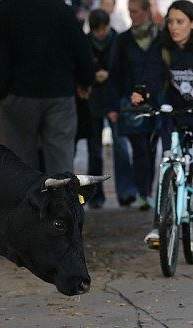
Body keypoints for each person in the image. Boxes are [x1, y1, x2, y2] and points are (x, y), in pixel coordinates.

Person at [132, 0, 193, 268]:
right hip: (173, 114)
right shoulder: (162, 48)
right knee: (166, 163)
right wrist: (142, 91)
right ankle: (160, 225)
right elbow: (151, 75)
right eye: (170, 22)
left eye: (179, 22)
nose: (173, 27)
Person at [0, 0, 95, 175]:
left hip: (20, 94)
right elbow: (82, 51)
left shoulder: (10, 8)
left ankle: (27, 200)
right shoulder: (63, 10)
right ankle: (62, 199)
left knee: (19, 165)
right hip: (59, 95)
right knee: (61, 162)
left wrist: (0, 91)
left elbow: (1, 53)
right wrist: (85, 81)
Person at [106, 0, 162, 211]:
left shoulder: (161, 38)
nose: (132, 16)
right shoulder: (123, 40)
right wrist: (113, 106)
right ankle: (144, 192)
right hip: (132, 105)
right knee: (140, 148)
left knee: (152, 148)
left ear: (147, 11)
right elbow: (114, 74)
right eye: (129, 12)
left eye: (136, 11)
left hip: (158, 102)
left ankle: (148, 190)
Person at [76, 9, 117, 209]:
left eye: (103, 29)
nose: (101, 33)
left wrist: (108, 74)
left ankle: (126, 191)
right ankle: (95, 195)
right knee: (95, 151)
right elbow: (80, 68)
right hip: (92, 101)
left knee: (121, 146)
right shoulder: (84, 42)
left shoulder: (116, 40)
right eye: (97, 30)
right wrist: (93, 76)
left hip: (111, 98)